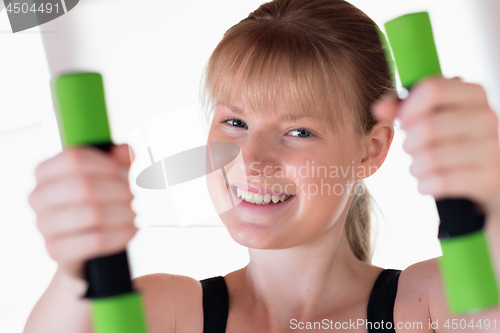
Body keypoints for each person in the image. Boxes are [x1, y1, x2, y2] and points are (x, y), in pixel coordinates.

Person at [24, 0, 500, 332]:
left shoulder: (428, 308)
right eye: (234, 121)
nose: (251, 160)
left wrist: (491, 197)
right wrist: (77, 269)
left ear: (370, 150)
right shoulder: (168, 315)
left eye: (299, 131)